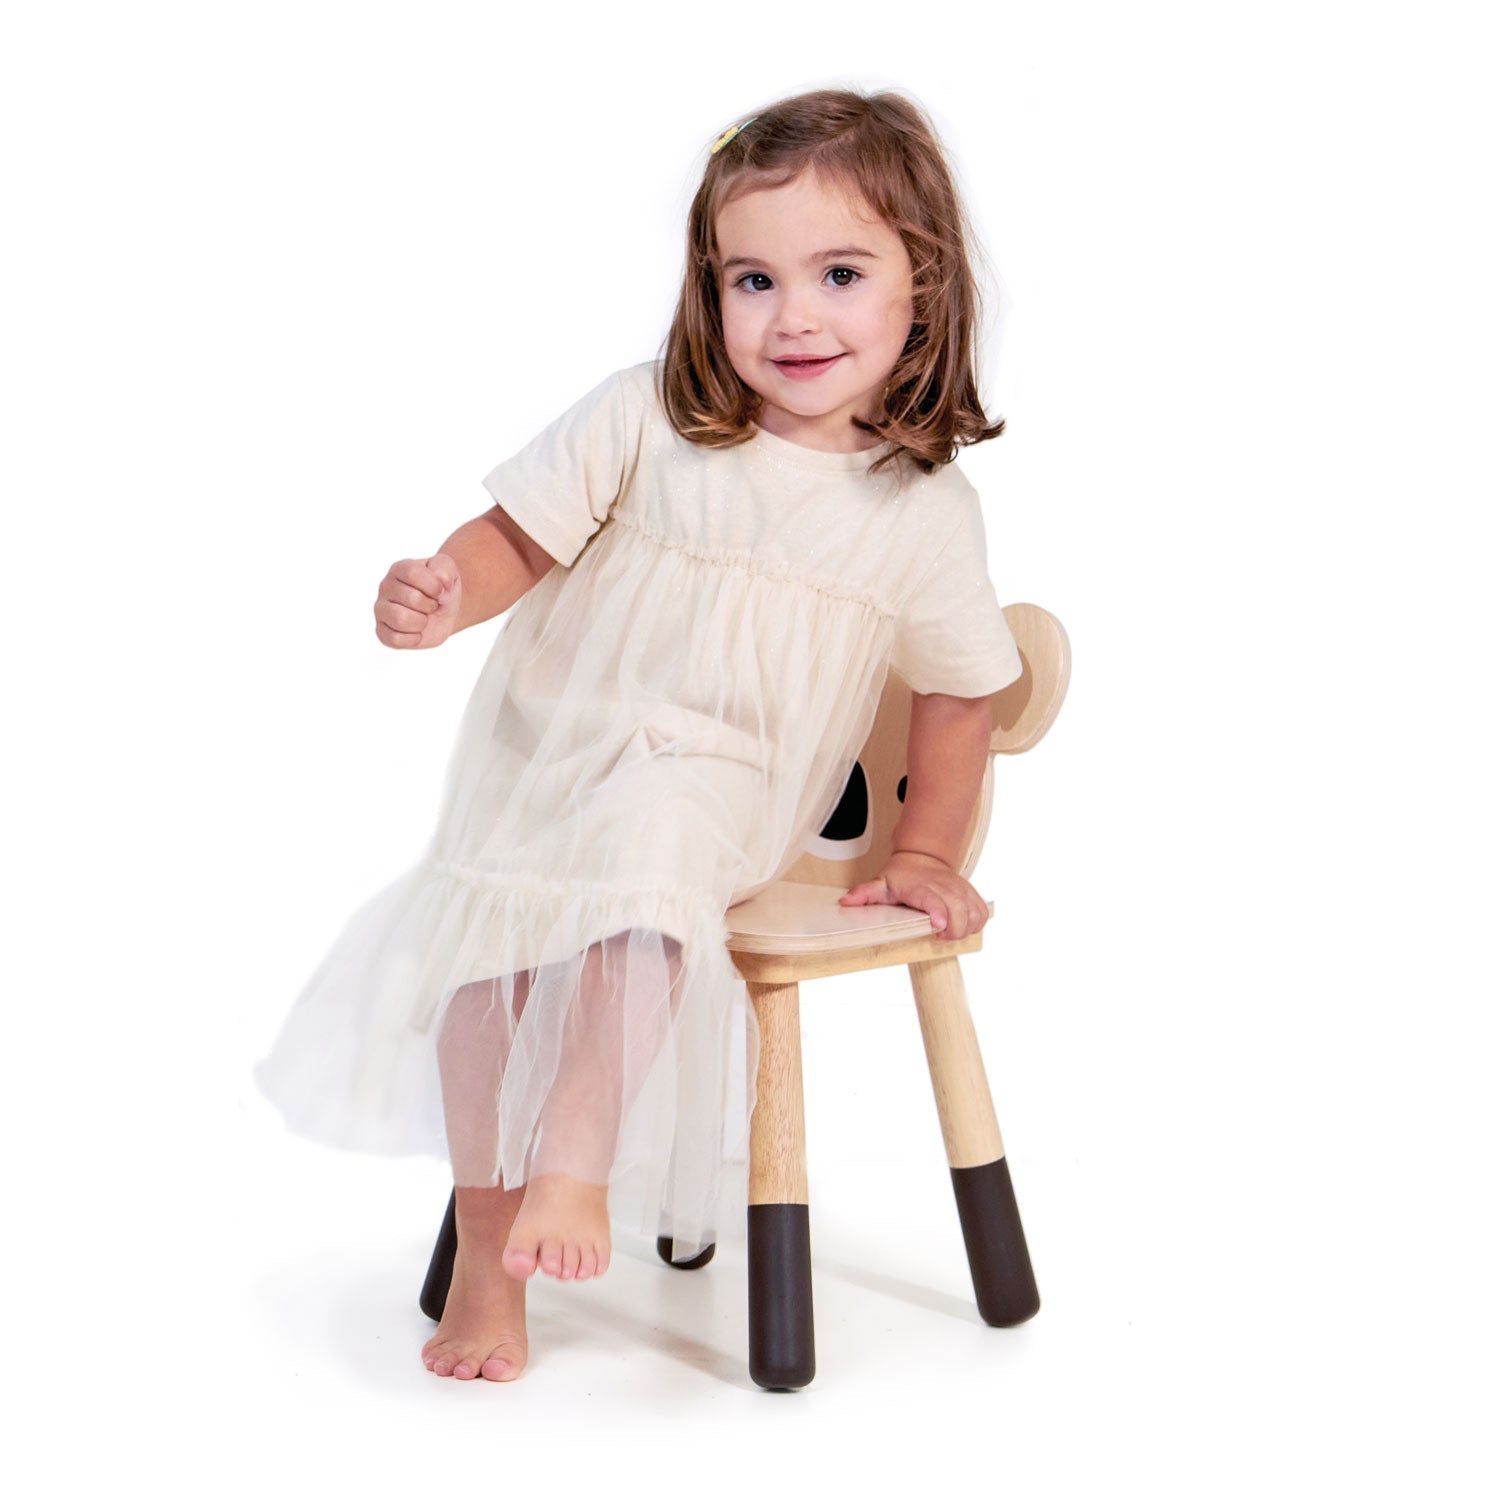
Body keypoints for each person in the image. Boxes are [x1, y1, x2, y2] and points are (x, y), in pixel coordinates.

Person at [254, 86, 1026, 1384]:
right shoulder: (647, 418)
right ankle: (494, 1283)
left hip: (719, 785)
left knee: (645, 879)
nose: (792, 316)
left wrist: (933, 846)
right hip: (552, 760)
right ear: (705, 291)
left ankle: (575, 1169)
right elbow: (517, 538)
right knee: (485, 981)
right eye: (752, 278)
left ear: (923, 289)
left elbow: (961, 697)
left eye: (840, 273)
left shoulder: (918, 508)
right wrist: (448, 591)